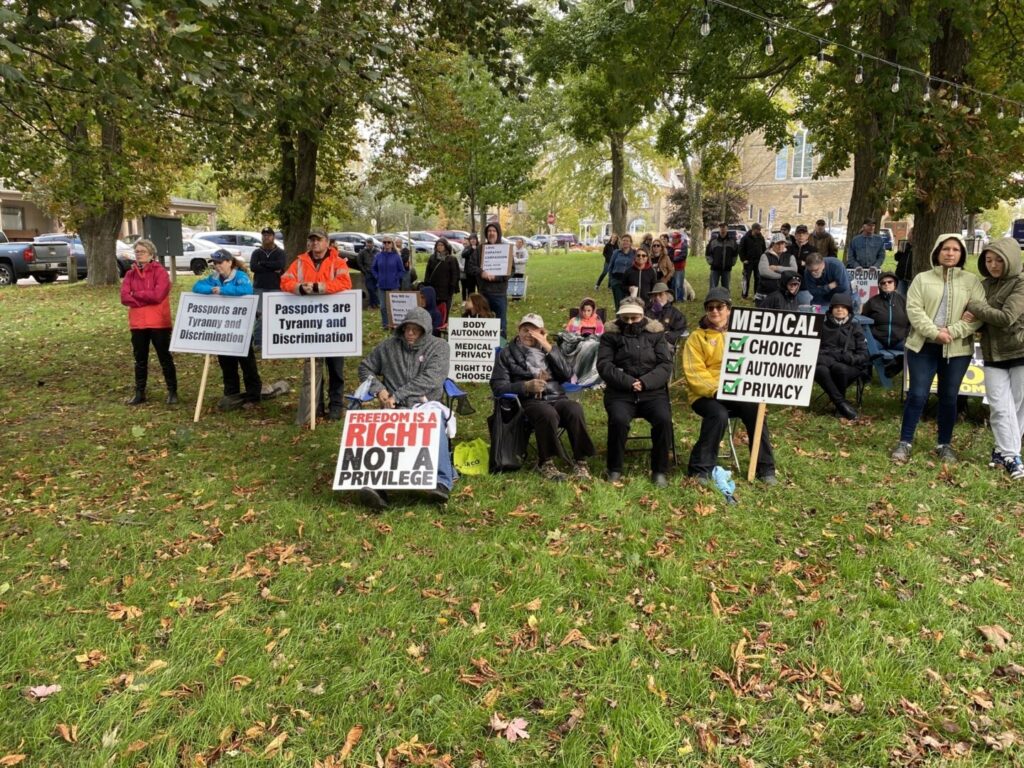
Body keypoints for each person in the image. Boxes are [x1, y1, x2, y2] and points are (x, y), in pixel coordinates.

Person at [890, 233, 984, 463]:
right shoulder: (922, 279)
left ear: (962, 254)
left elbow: (977, 314)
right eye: (945, 249)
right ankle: (905, 442)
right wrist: (935, 332)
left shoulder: (971, 282)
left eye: (955, 249)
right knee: (918, 394)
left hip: (957, 350)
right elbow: (914, 310)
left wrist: (951, 332)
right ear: (936, 252)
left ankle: (944, 444)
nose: (950, 253)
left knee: (949, 396)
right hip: (923, 347)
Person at [356, 307, 455, 509]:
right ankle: (376, 488)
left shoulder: (440, 347)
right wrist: (379, 390)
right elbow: (365, 367)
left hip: (426, 404)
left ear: (425, 330)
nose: (410, 333)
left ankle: (441, 483)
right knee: (379, 428)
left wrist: (397, 394)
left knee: (434, 423)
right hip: (395, 407)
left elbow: (431, 378)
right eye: (406, 329)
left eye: (415, 330)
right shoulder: (388, 346)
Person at [682, 288, 776, 484]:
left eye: (719, 306)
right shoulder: (697, 338)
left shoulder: (744, 333)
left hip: (737, 389)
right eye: (710, 308)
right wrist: (717, 389)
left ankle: (765, 468)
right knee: (718, 414)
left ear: (729, 309)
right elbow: (694, 373)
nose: (715, 311)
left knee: (755, 409)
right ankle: (700, 470)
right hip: (706, 394)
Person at [491, 313, 597, 481]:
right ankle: (545, 462)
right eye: (525, 330)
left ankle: (580, 462)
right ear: (518, 331)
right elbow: (498, 387)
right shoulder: (506, 354)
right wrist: (525, 386)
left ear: (542, 332)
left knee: (574, 409)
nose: (529, 335)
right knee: (547, 413)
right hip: (528, 401)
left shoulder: (550, 349)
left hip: (557, 397)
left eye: (535, 331)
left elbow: (568, 375)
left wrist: (548, 347)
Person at [961, 237, 1024, 478]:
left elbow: (1006, 317)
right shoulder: (984, 285)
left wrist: (975, 308)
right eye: (988, 260)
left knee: (1018, 407)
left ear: (1010, 259)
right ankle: (1012, 457)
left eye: (999, 260)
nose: (993, 265)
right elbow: (983, 319)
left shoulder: (1020, 283)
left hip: (1019, 350)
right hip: (992, 353)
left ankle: (1003, 452)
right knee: (999, 406)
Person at [597, 297, 674, 487]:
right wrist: (629, 382)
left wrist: (645, 382)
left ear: (643, 316)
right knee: (619, 420)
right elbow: (604, 365)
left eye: (634, 318)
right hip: (621, 392)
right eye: (626, 318)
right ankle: (614, 468)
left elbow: (665, 365)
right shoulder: (610, 336)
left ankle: (659, 470)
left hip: (652, 392)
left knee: (664, 420)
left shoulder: (656, 334)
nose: (630, 322)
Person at [281, 228, 353, 421]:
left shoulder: (337, 262)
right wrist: (299, 288)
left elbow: (345, 283)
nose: (315, 244)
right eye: (312, 240)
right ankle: (316, 406)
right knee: (314, 366)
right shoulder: (300, 262)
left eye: (318, 240)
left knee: (336, 367)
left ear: (327, 242)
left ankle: (336, 405)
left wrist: (319, 288)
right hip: (310, 324)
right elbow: (285, 282)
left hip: (334, 323)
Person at [193, 250, 262, 409]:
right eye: (215, 263)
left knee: (247, 363)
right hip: (222, 330)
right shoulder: (214, 278)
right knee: (226, 363)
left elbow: (246, 290)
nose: (217, 266)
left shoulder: (240, 276)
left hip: (241, 329)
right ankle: (232, 394)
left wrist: (223, 291)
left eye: (220, 262)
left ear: (230, 262)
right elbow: (197, 286)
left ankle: (253, 395)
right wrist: (211, 289)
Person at [120, 238, 178, 406]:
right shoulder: (130, 274)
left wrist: (136, 295)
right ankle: (140, 392)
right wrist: (146, 296)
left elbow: (158, 295)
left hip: (159, 322)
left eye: (142, 251)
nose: (139, 254)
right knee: (140, 359)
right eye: (137, 251)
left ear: (151, 254)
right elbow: (124, 297)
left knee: (164, 357)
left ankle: (172, 391)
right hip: (138, 323)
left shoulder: (160, 272)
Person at [814, 293, 869, 420]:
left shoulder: (855, 328)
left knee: (839, 368)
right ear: (831, 309)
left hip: (849, 366)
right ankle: (841, 404)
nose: (840, 310)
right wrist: (834, 357)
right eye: (836, 307)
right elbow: (814, 351)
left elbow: (863, 355)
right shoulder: (822, 326)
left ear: (848, 310)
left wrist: (848, 358)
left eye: (843, 307)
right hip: (825, 364)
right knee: (819, 370)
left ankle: (839, 404)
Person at [860, 271, 908, 375]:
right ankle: (865, 376)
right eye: (883, 283)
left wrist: (907, 335)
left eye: (889, 282)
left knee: (915, 349)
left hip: (899, 340)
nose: (886, 284)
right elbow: (864, 320)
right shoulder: (872, 302)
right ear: (879, 286)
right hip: (878, 340)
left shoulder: (904, 301)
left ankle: (892, 369)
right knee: (864, 348)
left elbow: (911, 321)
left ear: (895, 284)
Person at [467, 222, 510, 337]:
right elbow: (470, 266)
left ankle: (500, 350)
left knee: (501, 324)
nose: (491, 233)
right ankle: (484, 346)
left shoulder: (505, 249)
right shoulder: (480, 249)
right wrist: (481, 272)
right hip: (484, 292)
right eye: (489, 231)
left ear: (498, 233)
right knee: (483, 322)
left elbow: (511, 270)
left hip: (499, 293)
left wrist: (497, 277)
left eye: (494, 231)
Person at [249, 227, 286, 348]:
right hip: (259, 287)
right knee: (260, 315)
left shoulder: (280, 252)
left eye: (269, 235)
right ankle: (258, 342)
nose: (266, 237)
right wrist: (272, 268)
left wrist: (263, 264)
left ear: (273, 237)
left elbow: (280, 264)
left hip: (275, 287)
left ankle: (274, 340)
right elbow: (254, 267)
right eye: (264, 235)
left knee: (274, 315)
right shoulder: (257, 252)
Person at [371, 236, 406, 329]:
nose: (386, 244)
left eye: (388, 242)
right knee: (383, 307)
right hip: (381, 285)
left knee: (394, 306)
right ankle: (385, 324)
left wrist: (396, 278)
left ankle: (395, 324)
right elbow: (373, 269)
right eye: (384, 242)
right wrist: (377, 277)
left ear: (392, 244)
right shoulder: (378, 256)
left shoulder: (396, 256)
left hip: (393, 285)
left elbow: (402, 270)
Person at [424, 237, 461, 316]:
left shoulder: (451, 259)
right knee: (434, 308)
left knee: (445, 308)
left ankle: (444, 323)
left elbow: (455, 274)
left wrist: (452, 286)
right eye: (438, 245)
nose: (439, 247)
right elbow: (428, 273)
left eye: (441, 245)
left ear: (446, 246)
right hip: (434, 287)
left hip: (446, 288)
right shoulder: (432, 258)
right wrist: (426, 284)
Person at [757, 233, 798, 304]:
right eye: (778, 243)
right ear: (773, 244)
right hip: (765, 294)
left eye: (782, 243)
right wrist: (784, 276)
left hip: (784, 295)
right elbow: (764, 272)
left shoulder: (790, 257)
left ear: (785, 244)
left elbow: (794, 270)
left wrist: (777, 268)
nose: (780, 246)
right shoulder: (765, 256)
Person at [645, 281, 688, 346]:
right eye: (655, 295)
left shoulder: (675, 313)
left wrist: (665, 336)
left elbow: (680, 331)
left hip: (665, 344)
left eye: (660, 294)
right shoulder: (646, 310)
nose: (657, 298)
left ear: (667, 296)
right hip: (646, 343)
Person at [606, 233, 637, 310]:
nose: (625, 242)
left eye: (627, 241)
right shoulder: (616, 252)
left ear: (630, 243)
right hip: (617, 281)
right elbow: (610, 266)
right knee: (619, 303)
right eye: (623, 240)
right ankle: (619, 319)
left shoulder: (634, 253)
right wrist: (611, 281)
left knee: (629, 303)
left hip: (629, 282)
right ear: (620, 242)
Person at [705, 222, 739, 290]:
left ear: (727, 229)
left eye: (724, 227)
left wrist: (732, 263)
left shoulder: (732, 242)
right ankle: (712, 299)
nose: (722, 229)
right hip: (715, 269)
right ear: (719, 229)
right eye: (721, 227)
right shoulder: (713, 241)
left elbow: (735, 254)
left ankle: (726, 300)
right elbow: (708, 253)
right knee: (713, 287)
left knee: (726, 288)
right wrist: (712, 262)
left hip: (726, 269)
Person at [738, 223, 766, 299]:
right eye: (758, 229)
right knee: (746, 279)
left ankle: (756, 295)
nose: (760, 231)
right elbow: (741, 249)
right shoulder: (745, 238)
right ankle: (744, 295)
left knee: (758, 279)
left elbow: (764, 249)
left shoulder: (761, 238)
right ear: (754, 229)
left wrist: (763, 259)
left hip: (758, 262)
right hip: (748, 262)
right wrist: (743, 259)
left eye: (760, 229)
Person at [356, 237, 380, 309]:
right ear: (366, 243)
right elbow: (359, 262)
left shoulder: (377, 251)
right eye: (368, 243)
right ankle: (376, 303)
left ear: (373, 243)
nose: (369, 244)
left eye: (370, 243)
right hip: (368, 273)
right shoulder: (362, 252)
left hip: (376, 273)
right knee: (370, 289)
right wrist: (364, 271)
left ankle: (373, 304)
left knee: (375, 289)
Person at [669, 231, 688, 301]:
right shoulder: (671, 245)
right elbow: (669, 255)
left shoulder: (683, 245)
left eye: (674, 238)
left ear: (678, 238)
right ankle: (673, 298)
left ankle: (680, 299)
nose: (673, 239)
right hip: (672, 268)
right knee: (673, 284)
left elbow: (683, 256)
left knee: (679, 284)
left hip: (679, 268)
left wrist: (673, 259)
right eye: (672, 238)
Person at [461, 233, 479, 299]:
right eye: (471, 239)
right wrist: (471, 249)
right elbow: (463, 255)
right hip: (470, 273)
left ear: (476, 240)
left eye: (474, 239)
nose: (472, 240)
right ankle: (471, 303)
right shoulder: (467, 248)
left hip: (478, 272)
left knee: (480, 289)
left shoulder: (479, 248)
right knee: (471, 290)